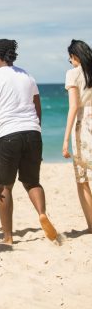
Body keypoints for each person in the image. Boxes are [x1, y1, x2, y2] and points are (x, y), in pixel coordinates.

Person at [0, 39, 57, 244]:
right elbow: (37, 108)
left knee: (5, 187)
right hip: (32, 133)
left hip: (8, 136)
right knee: (32, 181)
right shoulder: (27, 76)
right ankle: (41, 213)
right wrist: (35, 130)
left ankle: (8, 237)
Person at [62, 39, 92, 232]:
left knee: (82, 178)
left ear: (75, 56)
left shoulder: (73, 74)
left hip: (83, 125)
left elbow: (73, 107)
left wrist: (65, 140)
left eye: (70, 58)